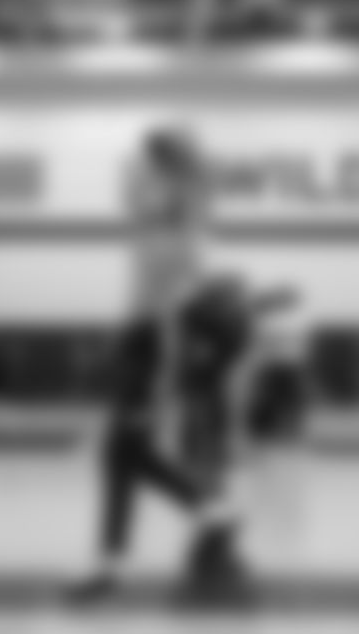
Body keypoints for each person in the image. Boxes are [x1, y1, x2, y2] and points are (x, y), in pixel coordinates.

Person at [72, 126, 233, 600]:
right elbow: (131, 184)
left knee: (121, 455)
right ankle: (210, 512)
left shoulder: (182, 241)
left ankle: (113, 562)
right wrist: (158, 159)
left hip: (148, 350)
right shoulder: (155, 223)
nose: (136, 183)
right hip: (135, 342)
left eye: (152, 173)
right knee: (126, 455)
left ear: (173, 185)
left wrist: (161, 381)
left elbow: (173, 322)